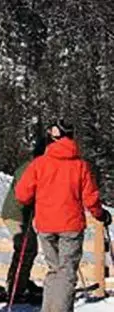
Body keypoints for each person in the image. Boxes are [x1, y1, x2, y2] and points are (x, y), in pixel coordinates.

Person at [16, 120, 111, 312]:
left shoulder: (39, 164)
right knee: (67, 272)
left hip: (45, 224)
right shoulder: (80, 166)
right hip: (71, 224)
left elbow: (22, 195)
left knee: (54, 269)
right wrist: (100, 214)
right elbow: (90, 198)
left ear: (52, 137)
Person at [0, 134, 48, 305]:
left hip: (21, 213)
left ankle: (20, 283)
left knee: (28, 248)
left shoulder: (33, 165)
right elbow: (24, 190)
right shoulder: (32, 167)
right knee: (26, 248)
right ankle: (16, 288)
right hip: (17, 213)